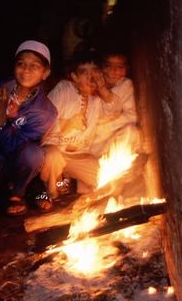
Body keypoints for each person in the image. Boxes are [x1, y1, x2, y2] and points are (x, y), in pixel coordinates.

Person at [0, 40, 57, 215]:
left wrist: (1, 119)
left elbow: (12, 147)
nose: (26, 70)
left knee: (34, 154)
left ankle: (18, 192)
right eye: (21, 63)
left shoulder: (45, 112)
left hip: (10, 161)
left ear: (45, 73)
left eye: (34, 66)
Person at [39, 50, 123, 209]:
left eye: (95, 71)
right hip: (55, 151)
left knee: (108, 179)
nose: (91, 76)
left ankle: (67, 178)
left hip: (78, 156)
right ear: (74, 77)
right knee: (53, 156)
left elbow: (115, 110)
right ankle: (49, 192)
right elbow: (44, 121)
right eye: (84, 72)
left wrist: (103, 88)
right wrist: (68, 124)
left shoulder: (97, 99)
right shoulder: (64, 89)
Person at [90, 52, 141, 157]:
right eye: (108, 66)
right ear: (100, 68)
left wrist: (103, 124)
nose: (113, 71)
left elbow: (132, 117)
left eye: (119, 67)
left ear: (126, 69)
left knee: (132, 132)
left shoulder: (125, 85)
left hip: (112, 139)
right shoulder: (91, 84)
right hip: (91, 144)